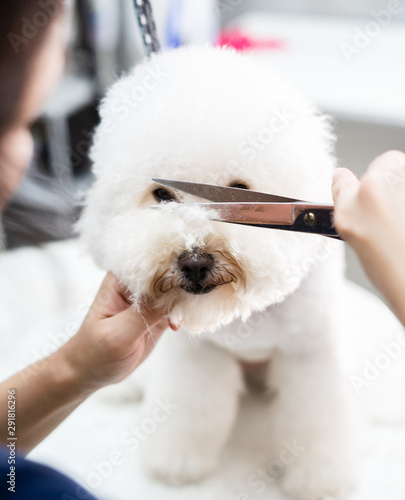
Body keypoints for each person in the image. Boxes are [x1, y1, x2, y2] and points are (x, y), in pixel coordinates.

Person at [0, 1, 404, 498]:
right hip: (172, 354)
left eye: (236, 187)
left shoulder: (316, 253)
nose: (194, 250)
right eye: (164, 197)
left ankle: (319, 459)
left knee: (307, 352)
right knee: (195, 350)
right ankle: (184, 439)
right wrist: (81, 368)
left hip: (303, 328)